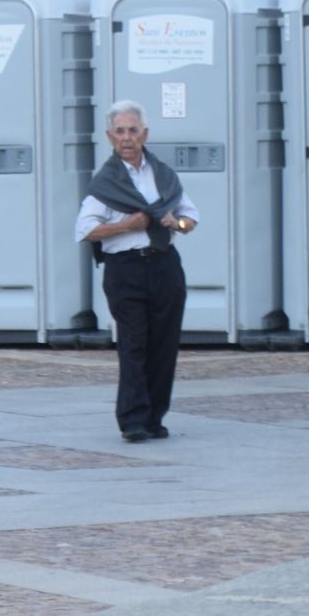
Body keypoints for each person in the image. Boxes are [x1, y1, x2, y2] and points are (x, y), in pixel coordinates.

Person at [75, 100, 199, 443]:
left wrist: (178, 222)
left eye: (132, 130)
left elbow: (191, 218)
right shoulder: (106, 182)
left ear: (144, 133)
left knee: (164, 343)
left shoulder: (163, 175)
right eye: (120, 131)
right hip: (125, 269)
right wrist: (127, 225)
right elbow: (84, 230)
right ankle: (132, 420)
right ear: (109, 136)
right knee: (133, 344)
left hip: (163, 264)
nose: (126, 138)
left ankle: (155, 417)